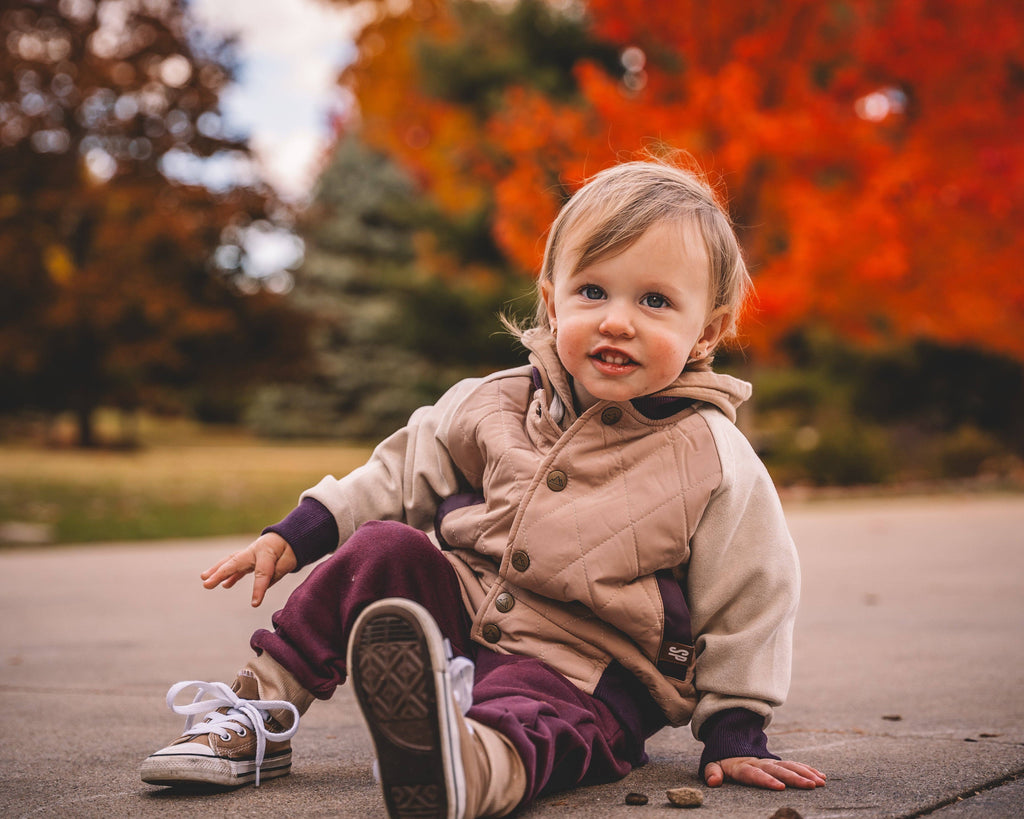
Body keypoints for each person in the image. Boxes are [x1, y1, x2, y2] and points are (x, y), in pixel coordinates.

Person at [140, 158, 826, 817]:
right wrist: (298, 533)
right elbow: (398, 473)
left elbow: (753, 592)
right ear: (554, 303)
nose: (618, 319)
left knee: (537, 712)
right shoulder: (492, 403)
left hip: (586, 671)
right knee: (385, 545)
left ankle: (468, 767)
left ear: (704, 332)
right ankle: (257, 712)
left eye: (654, 300)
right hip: (461, 621)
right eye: (593, 291)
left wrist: (735, 730)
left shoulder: (712, 455)